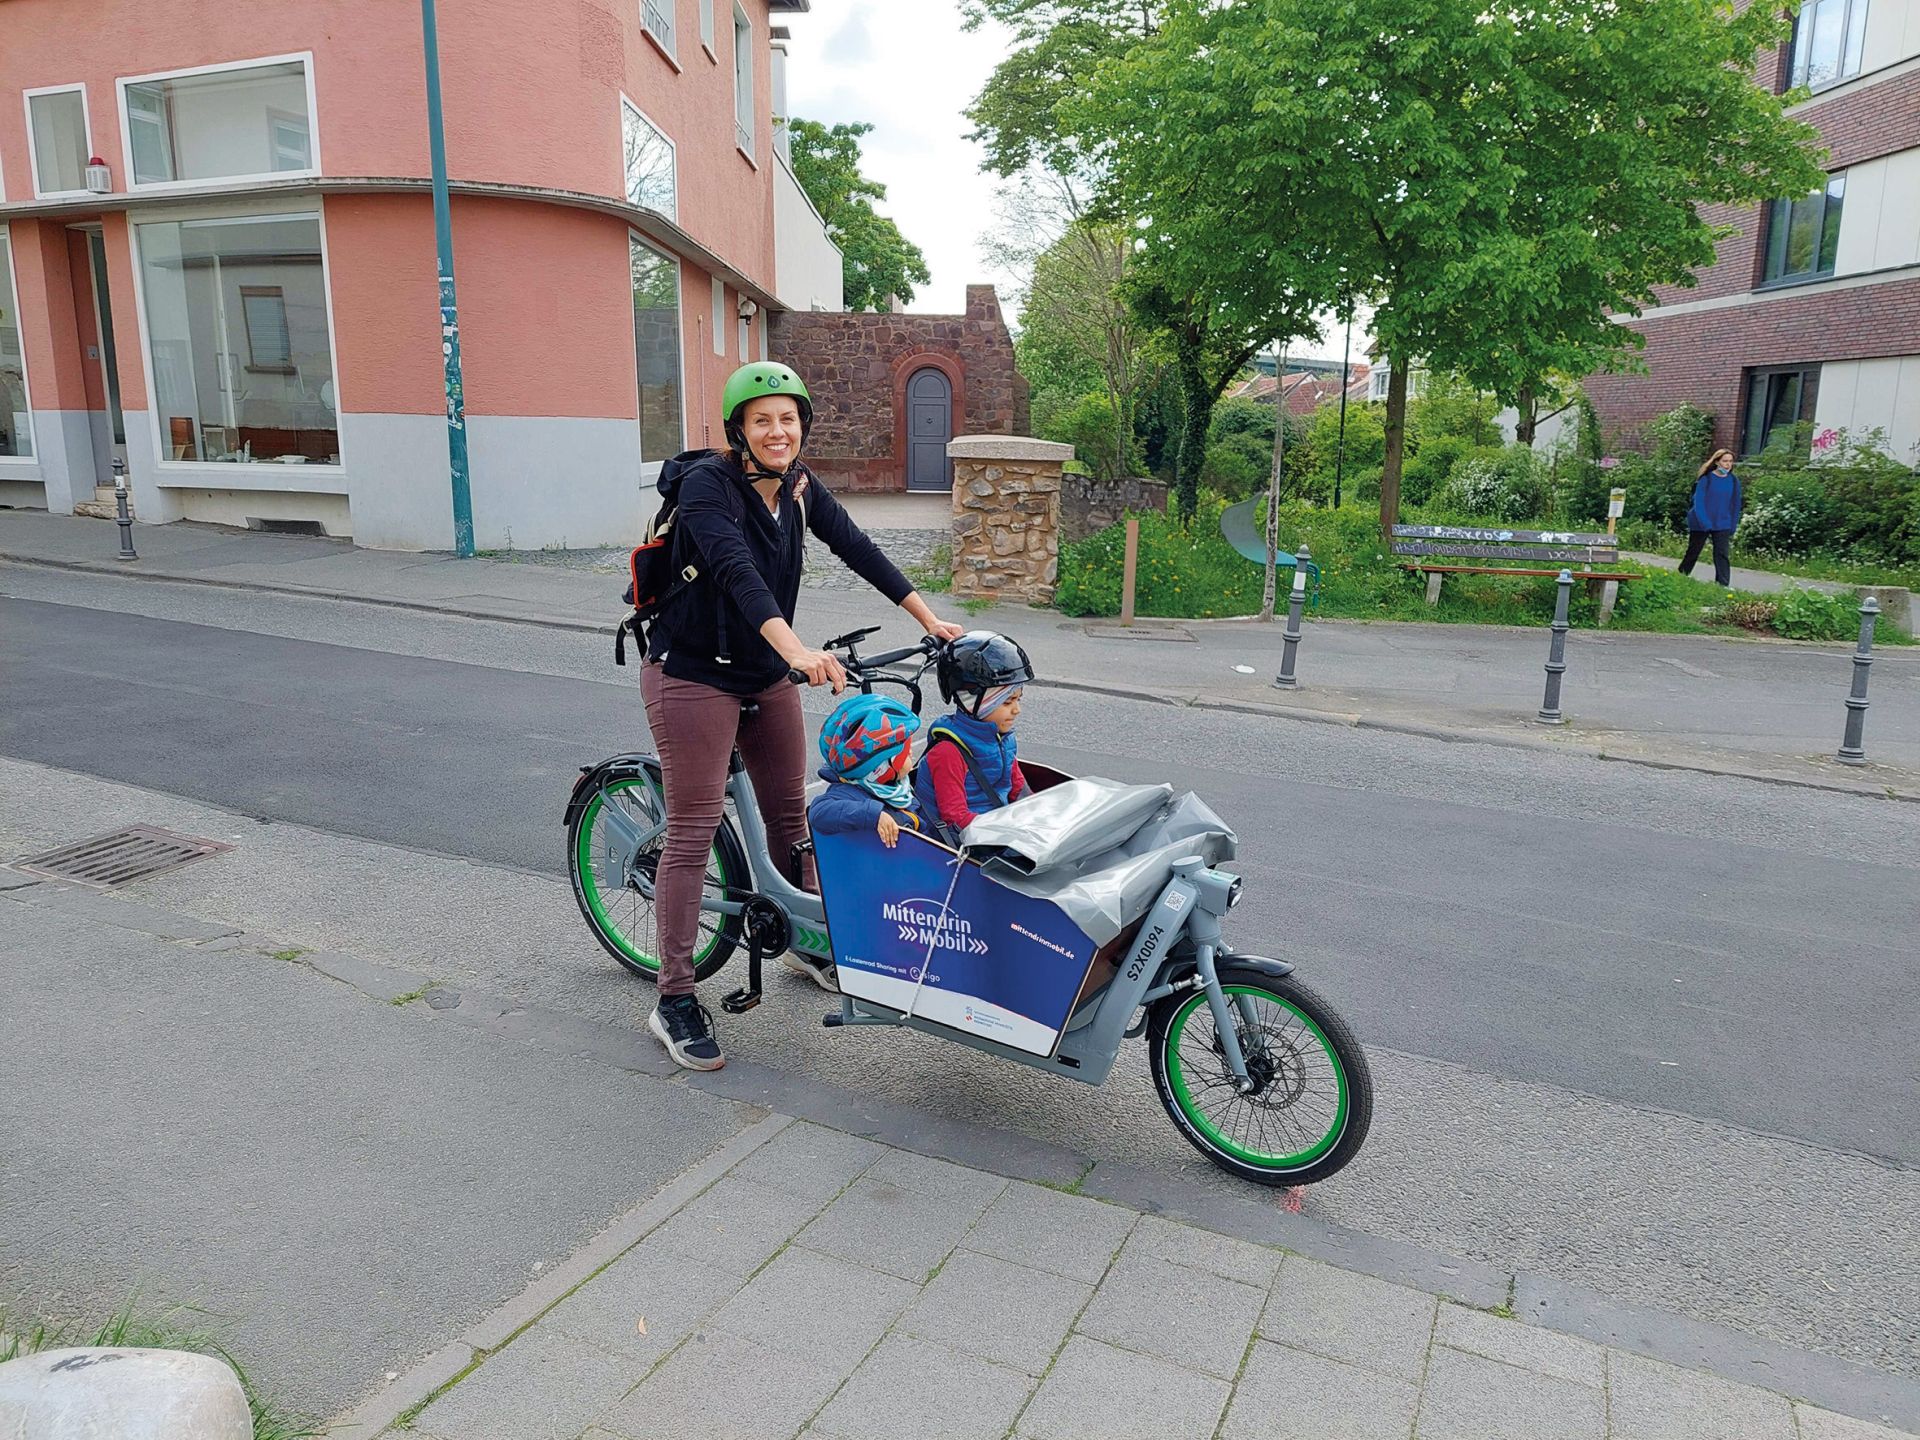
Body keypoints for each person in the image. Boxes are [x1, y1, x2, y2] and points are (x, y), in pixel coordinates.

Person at [640, 361, 964, 1071]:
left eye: (788, 418)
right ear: (739, 431)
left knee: (794, 818)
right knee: (693, 832)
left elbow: (858, 548)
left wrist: (929, 617)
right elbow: (738, 576)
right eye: (763, 420)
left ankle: (804, 941)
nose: (778, 431)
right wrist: (798, 649)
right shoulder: (706, 489)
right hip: (691, 674)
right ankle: (674, 996)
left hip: (763, 671)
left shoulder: (798, 486)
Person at [913, 631, 1036, 843]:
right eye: (1007, 702)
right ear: (972, 701)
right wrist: (1007, 834)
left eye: (1018, 700)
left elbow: (1018, 788)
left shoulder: (1002, 738)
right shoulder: (948, 752)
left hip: (994, 825)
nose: (1017, 710)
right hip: (961, 840)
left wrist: (1041, 816)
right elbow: (954, 817)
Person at [809, 694, 927, 848]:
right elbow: (818, 812)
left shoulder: (895, 787)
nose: (911, 752)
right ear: (881, 767)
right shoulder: (848, 793)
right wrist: (873, 815)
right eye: (904, 750)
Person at [1679, 448, 1743, 588]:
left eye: (1730, 461)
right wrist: (1705, 522)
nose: (1728, 464)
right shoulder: (1706, 479)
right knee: (1693, 551)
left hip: (1723, 522)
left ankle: (1722, 585)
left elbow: (1736, 504)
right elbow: (1699, 503)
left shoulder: (1733, 481)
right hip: (1701, 522)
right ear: (1717, 462)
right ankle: (1680, 576)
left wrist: (1733, 524)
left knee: (1722, 554)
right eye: (1725, 461)